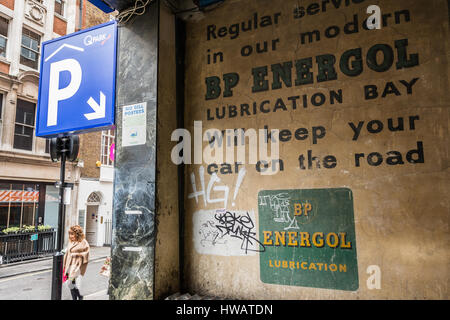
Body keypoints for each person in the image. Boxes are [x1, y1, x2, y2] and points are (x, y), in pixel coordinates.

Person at [63, 225, 90, 300]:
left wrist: (76, 254)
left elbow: (87, 254)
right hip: (69, 265)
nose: (70, 236)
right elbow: (68, 252)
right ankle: (79, 297)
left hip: (77, 265)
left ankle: (77, 297)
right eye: (69, 234)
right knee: (71, 284)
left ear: (77, 234)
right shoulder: (71, 241)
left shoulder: (83, 242)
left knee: (70, 282)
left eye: (72, 234)